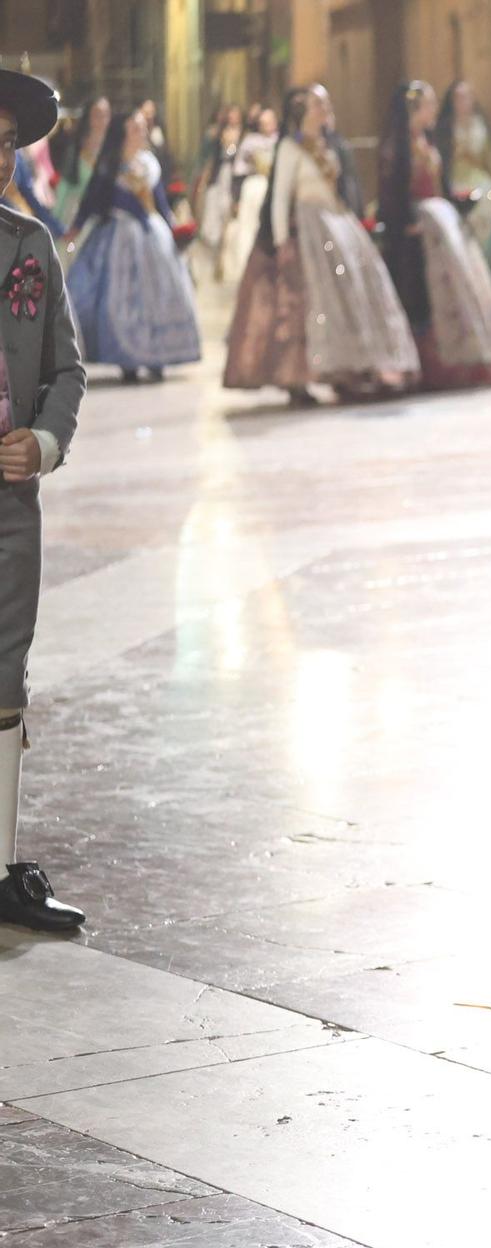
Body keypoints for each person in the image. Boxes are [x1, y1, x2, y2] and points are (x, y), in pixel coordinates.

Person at [0, 69, 89, 934]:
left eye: (4, 142)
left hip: (8, 505)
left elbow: (66, 368)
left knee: (3, 675)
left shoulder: (31, 246)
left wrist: (45, 441)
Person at [222, 85, 419, 402]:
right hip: (308, 230)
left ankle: (350, 368)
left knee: (349, 295)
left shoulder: (330, 145)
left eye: (326, 102)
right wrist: (282, 241)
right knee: (304, 305)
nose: (325, 107)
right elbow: (280, 199)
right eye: (318, 103)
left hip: (337, 225)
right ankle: (297, 378)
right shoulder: (290, 147)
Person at [377, 81, 491, 390]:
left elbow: (439, 184)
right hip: (418, 229)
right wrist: (407, 222)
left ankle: (450, 362)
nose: (435, 109)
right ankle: (424, 365)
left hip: (440, 223)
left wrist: (460, 202)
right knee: (422, 295)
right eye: (430, 103)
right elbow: (393, 193)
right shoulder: (397, 147)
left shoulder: (426, 141)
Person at [62, 107, 203, 383]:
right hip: (118, 235)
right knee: (117, 298)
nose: (142, 132)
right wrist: (74, 229)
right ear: (123, 133)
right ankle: (127, 358)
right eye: (136, 128)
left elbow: (160, 202)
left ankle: (157, 355)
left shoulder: (148, 164)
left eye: (142, 127)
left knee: (159, 294)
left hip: (153, 236)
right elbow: (91, 201)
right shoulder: (109, 165)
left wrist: (175, 228)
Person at [438, 81, 491, 247]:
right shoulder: (445, 127)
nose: (463, 102)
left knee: (489, 198)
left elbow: (489, 158)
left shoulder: (480, 126)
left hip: (481, 182)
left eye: (467, 97)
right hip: (454, 181)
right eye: (459, 98)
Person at [221, 105, 277, 285]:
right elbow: (238, 172)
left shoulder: (281, 142)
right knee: (248, 230)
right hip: (253, 190)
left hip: (273, 192)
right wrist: (235, 199)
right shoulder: (250, 142)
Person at [193, 104, 244, 275]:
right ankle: (216, 261)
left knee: (230, 220)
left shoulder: (245, 135)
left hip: (234, 180)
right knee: (216, 216)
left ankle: (225, 261)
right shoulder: (216, 135)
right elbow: (210, 159)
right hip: (220, 178)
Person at [52, 95, 109, 228]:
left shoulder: (113, 150)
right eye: (97, 115)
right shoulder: (78, 148)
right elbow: (65, 185)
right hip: (76, 213)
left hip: (104, 216)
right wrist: (55, 221)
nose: (102, 120)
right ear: (88, 117)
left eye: (106, 114)